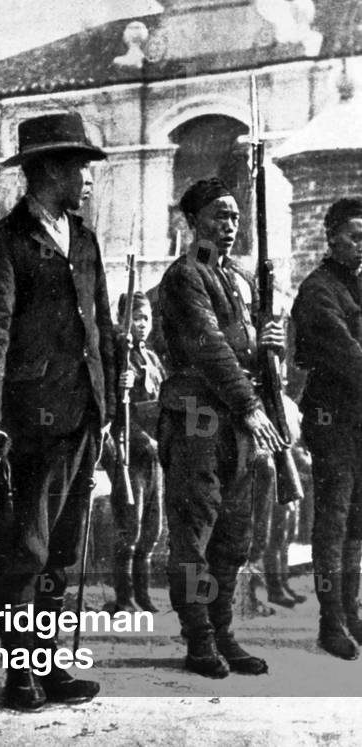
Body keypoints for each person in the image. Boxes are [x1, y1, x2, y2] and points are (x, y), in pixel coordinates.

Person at [0, 112, 112, 711]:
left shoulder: (83, 239)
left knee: (62, 550)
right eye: (78, 166)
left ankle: (50, 669)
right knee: (24, 549)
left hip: (82, 418)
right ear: (50, 169)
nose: (86, 178)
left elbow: (99, 325)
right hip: (28, 422)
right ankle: (18, 675)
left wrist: (110, 405)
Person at [157, 177, 285, 678]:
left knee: (233, 534)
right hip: (196, 417)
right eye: (217, 216)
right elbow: (209, 348)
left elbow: (247, 350)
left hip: (234, 420)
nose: (228, 226)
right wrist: (251, 405)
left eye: (234, 217)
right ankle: (199, 639)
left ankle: (223, 631)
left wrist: (268, 339)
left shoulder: (242, 279)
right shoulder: (185, 277)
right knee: (195, 533)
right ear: (192, 222)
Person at [291, 197, 362, 659]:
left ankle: (352, 610)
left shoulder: (355, 285)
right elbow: (349, 355)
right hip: (332, 422)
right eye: (355, 237)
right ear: (330, 237)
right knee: (333, 523)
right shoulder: (319, 291)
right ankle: (329, 621)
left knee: (357, 522)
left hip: (359, 423)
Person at [106, 290, 164, 614]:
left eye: (145, 318)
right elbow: (116, 411)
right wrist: (120, 383)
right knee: (131, 526)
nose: (141, 325)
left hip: (155, 452)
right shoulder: (118, 357)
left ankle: (142, 595)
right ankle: (124, 598)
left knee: (152, 530)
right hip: (129, 449)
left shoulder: (153, 359)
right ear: (121, 321)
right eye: (134, 319)